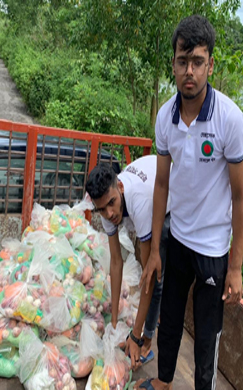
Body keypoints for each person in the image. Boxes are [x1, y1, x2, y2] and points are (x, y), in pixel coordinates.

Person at [137, 15, 243, 390]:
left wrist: (235, 266)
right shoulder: (166, 116)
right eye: (182, 61)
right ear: (173, 64)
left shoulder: (230, 120)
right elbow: (161, 183)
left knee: (206, 337)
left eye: (198, 62)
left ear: (210, 65)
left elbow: (239, 194)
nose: (189, 71)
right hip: (177, 238)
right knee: (169, 318)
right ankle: (163, 382)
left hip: (213, 248)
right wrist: (153, 250)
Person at [85, 156, 169, 369]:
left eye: (111, 204)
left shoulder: (140, 201)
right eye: (102, 209)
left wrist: (136, 334)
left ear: (119, 187)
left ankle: (147, 341)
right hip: (147, 189)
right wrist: (113, 322)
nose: (109, 214)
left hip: (172, 204)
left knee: (155, 276)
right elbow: (116, 262)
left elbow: (148, 274)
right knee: (146, 269)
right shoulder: (106, 205)